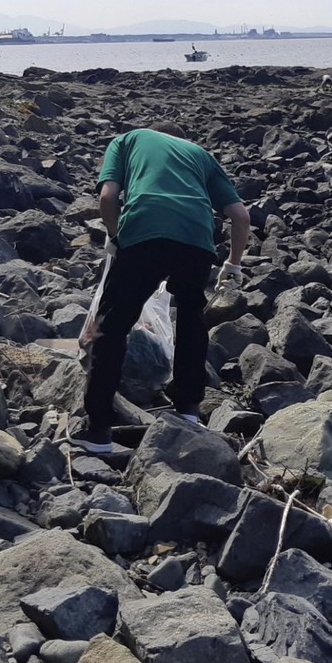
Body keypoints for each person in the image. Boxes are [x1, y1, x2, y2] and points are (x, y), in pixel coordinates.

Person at [79, 125, 250, 452]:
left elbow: (107, 197)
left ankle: (99, 430)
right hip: (197, 236)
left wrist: (116, 238)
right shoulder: (201, 155)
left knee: (112, 325)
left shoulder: (128, 140)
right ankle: (188, 412)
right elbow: (240, 216)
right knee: (190, 319)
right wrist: (233, 264)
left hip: (145, 226)